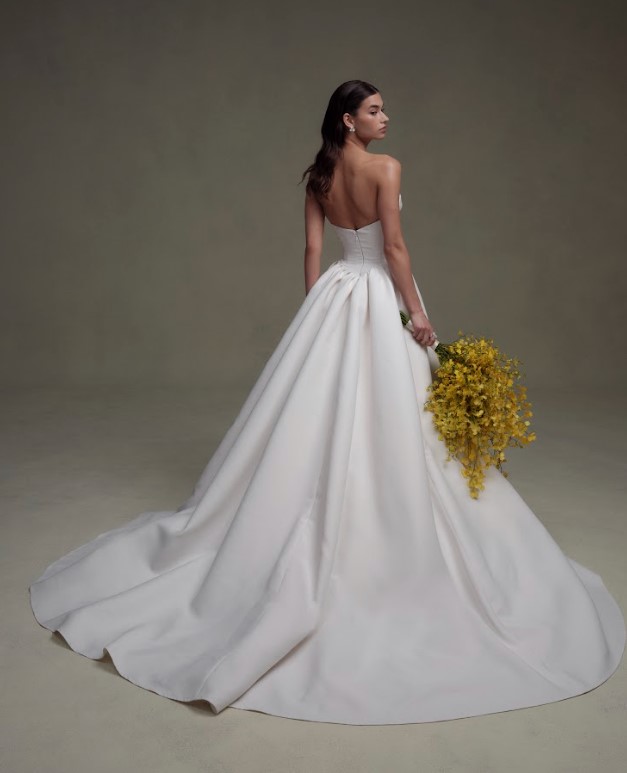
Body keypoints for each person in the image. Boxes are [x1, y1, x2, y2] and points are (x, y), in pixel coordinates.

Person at [29, 80, 625, 726]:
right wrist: (417, 315)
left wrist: (317, 312)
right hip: (379, 295)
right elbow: (394, 249)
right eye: (374, 109)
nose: (385, 117)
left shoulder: (318, 177)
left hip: (337, 295)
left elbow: (312, 253)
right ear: (347, 119)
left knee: (315, 419)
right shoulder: (385, 168)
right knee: (398, 421)